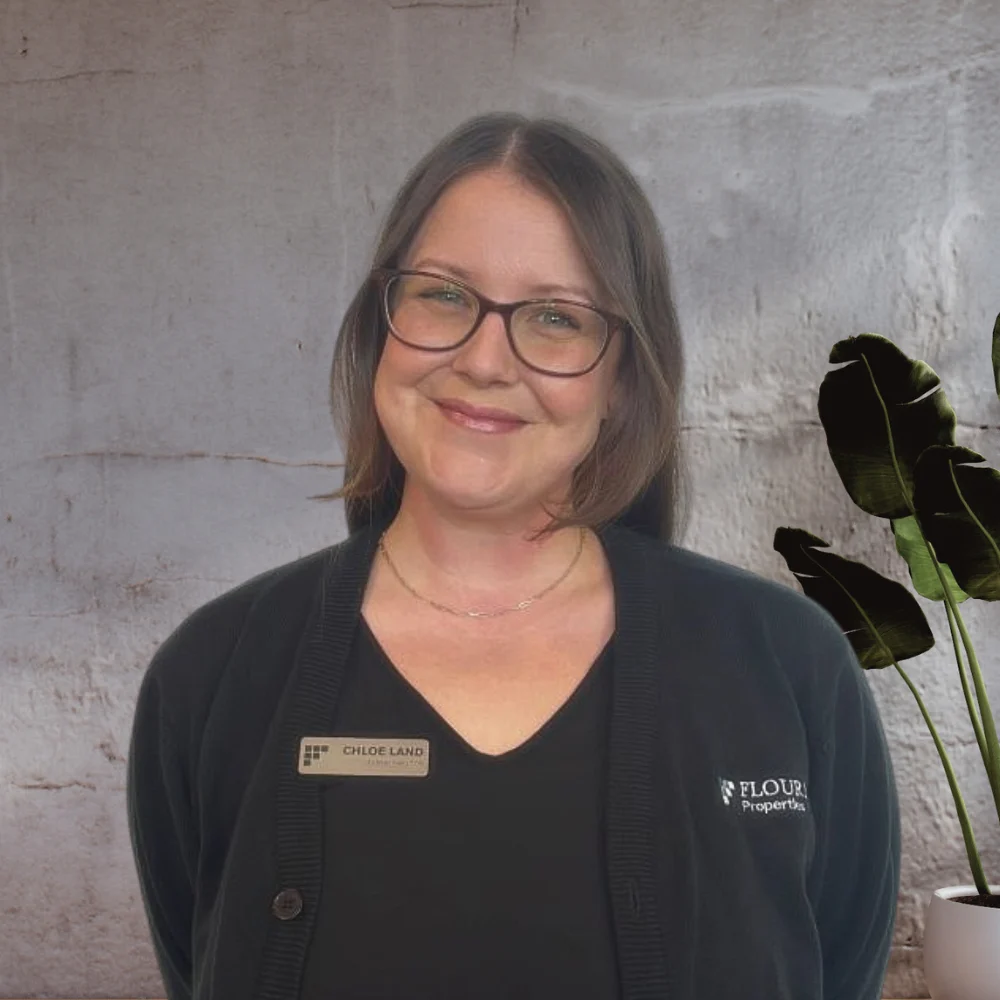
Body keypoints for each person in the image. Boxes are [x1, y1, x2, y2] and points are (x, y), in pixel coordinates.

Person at [126, 112, 900, 1000]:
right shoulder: (216, 674)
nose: (486, 359)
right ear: (383, 325)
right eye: (444, 296)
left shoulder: (786, 665)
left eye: (555, 317)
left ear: (622, 381)